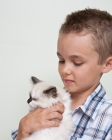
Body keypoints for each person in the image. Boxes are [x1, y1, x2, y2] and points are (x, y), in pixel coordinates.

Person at [11, 8, 112, 140]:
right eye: (61, 60)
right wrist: (23, 131)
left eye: (77, 62)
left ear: (107, 64)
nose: (65, 70)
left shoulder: (108, 118)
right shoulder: (44, 104)